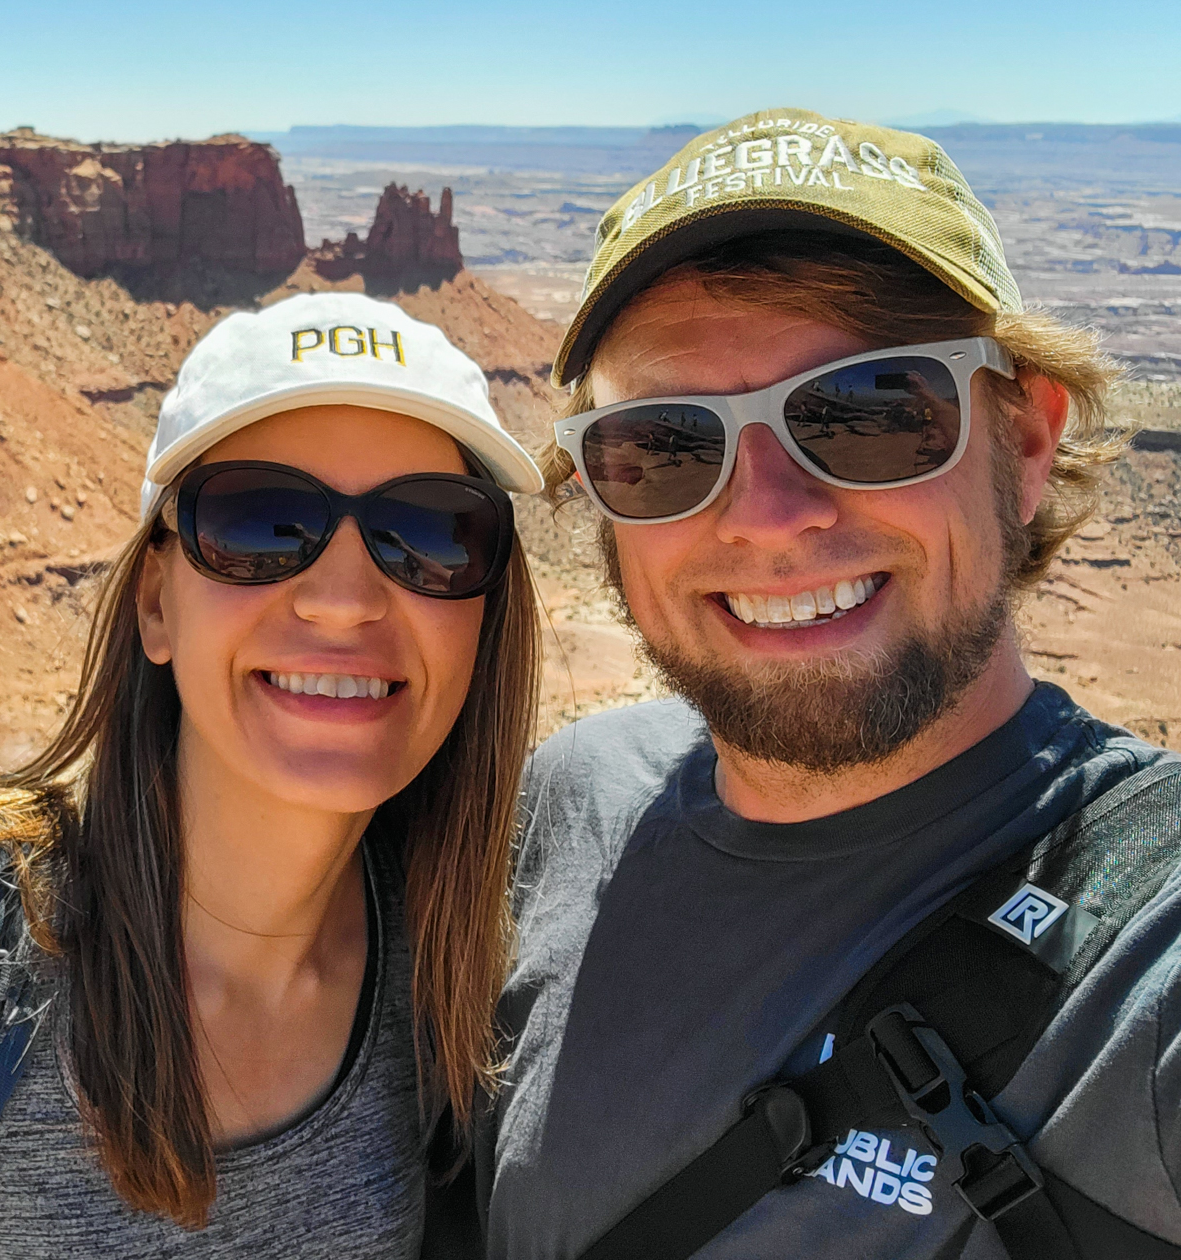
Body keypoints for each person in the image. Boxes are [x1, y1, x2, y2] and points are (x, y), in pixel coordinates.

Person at [0, 291, 546, 1260]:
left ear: (486, 610)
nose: (345, 601)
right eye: (263, 522)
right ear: (154, 602)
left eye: (433, 535)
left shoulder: (456, 972)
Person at [487, 109, 1181, 1259]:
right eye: (663, 445)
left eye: (864, 414)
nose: (764, 517)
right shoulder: (567, 807)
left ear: (1022, 444)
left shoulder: (1143, 961)